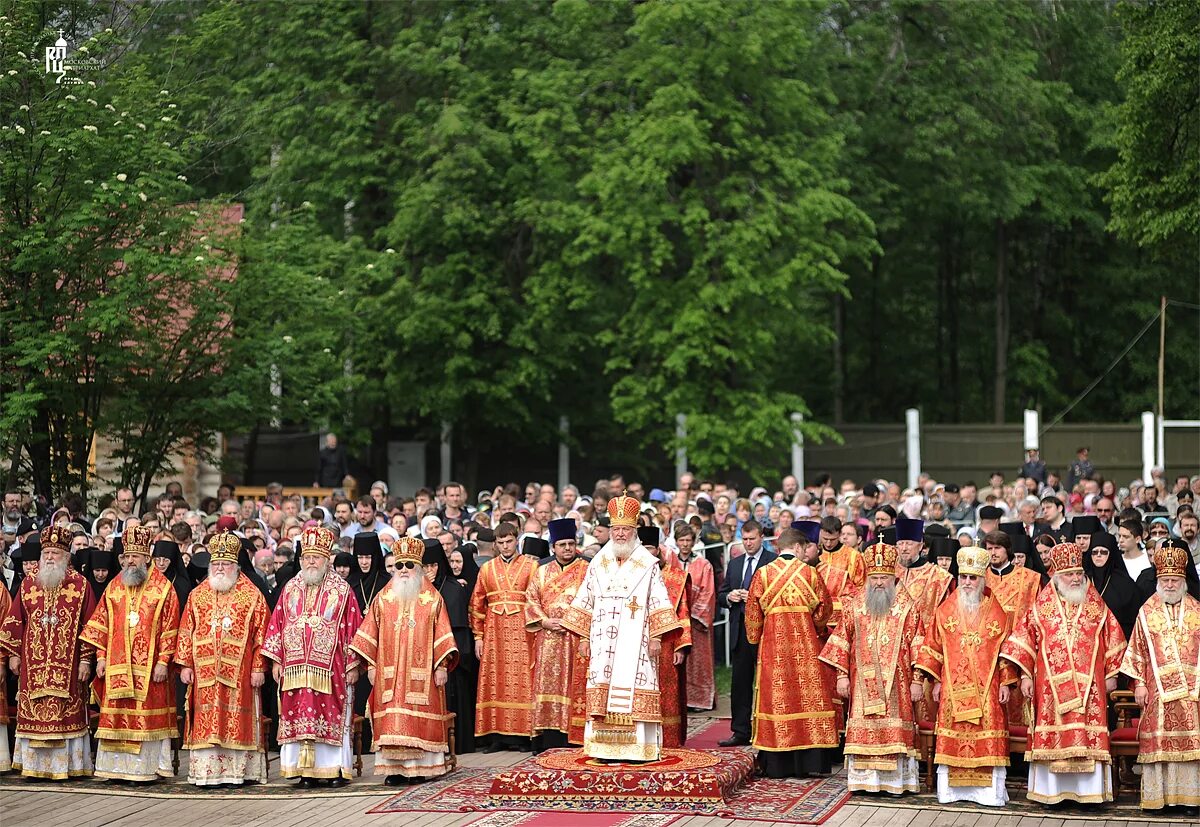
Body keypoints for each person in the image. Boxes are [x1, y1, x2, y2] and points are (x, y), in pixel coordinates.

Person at [1000, 542, 1127, 805]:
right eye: (1069, 574)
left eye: (1079, 573)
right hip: (1050, 689)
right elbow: (1024, 640)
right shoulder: (1042, 606)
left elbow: (1114, 636)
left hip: (1089, 687)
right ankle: (1051, 793)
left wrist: (1112, 673)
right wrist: (1025, 676)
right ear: (1057, 576)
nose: (1076, 578)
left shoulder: (1096, 605)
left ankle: (1088, 794)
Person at [559, 492, 677, 762]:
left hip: (637, 641)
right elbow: (586, 599)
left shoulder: (648, 564)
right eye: (616, 529)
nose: (620, 534)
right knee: (602, 687)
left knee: (636, 688)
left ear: (634, 531)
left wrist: (657, 637)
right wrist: (584, 637)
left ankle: (639, 749)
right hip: (603, 640)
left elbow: (658, 600)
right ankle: (603, 749)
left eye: (625, 529)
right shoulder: (597, 563)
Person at [913, 546, 1016, 806]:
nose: (968, 582)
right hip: (952, 686)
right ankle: (951, 791)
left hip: (988, 688)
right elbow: (933, 646)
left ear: (982, 579)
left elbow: (1005, 651)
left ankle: (988, 794)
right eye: (964, 577)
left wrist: (1006, 681)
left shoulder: (997, 612)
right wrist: (935, 681)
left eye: (973, 578)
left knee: (987, 730)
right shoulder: (945, 610)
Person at [350, 536, 457, 784]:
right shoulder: (383, 598)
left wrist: (441, 666)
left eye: (410, 565)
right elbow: (369, 633)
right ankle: (394, 770)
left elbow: (442, 634)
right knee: (392, 721)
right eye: (400, 565)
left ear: (419, 567)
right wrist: (371, 665)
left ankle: (420, 769)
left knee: (417, 720)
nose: (405, 570)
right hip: (389, 676)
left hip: (423, 677)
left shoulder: (432, 599)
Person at [262, 525, 363, 787]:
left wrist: (353, 665)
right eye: (306, 557)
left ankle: (334, 770)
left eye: (315, 557)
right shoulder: (290, 587)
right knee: (298, 717)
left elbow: (354, 629)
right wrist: (276, 659)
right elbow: (277, 625)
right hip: (294, 669)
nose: (310, 562)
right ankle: (304, 772)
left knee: (331, 716)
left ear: (327, 560)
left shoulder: (342, 590)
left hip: (333, 670)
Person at [819, 541, 923, 795]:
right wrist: (841, 676)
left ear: (893, 577)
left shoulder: (907, 607)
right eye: (874, 578)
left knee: (894, 731)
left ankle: (894, 783)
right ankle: (864, 781)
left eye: (883, 578)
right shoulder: (855, 605)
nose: (878, 583)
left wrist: (917, 680)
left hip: (897, 685)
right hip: (860, 683)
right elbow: (841, 640)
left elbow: (919, 644)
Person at [81, 524, 181, 782]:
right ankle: (116, 769)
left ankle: (145, 769)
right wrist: (100, 658)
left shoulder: (163, 588)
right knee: (116, 717)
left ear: (147, 557)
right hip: (116, 668)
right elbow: (101, 625)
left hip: (150, 672)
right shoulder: (114, 586)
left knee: (147, 718)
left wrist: (163, 662)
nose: (130, 561)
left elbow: (171, 628)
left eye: (135, 556)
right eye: (126, 556)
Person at [0, 526, 98, 779]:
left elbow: (90, 626)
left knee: (67, 715)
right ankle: (34, 767)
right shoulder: (28, 583)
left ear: (66, 555)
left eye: (55, 553)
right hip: (33, 667)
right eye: (46, 553)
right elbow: (15, 620)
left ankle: (68, 766)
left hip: (69, 667)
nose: (50, 557)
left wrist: (86, 660)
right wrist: (14, 654)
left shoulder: (81, 585)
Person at [175, 532, 270, 786]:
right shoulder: (197, 595)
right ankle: (208, 774)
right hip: (204, 674)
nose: (219, 568)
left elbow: (263, 635)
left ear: (236, 566)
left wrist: (258, 667)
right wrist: (185, 664)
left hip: (241, 675)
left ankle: (239, 774)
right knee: (207, 721)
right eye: (215, 563)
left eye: (225, 564)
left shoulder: (252, 595)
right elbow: (186, 630)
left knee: (237, 721)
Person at [745, 525, 836, 778]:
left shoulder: (763, 574)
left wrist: (755, 638)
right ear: (797, 547)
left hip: (773, 649)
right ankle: (810, 762)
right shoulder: (811, 573)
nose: (806, 552)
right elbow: (824, 610)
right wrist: (815, 627)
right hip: (806, 649)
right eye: (804, 548)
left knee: (778, 699)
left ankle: (777, 763)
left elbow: (752, 615)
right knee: (807, 696)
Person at [1119, 542, 1200, 811]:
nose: (1170, 585)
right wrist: (1139, 684)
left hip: (1192, 694)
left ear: (1183, 580)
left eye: (1174, 579)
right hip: (1157, 693)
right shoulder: (1146, 612)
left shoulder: (1197, 611)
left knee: (1190, 747)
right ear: (1158, 580)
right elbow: (1136, 651)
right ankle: (1159, 799)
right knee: (1159, 745)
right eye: (1165, 580)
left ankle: (1189, 798)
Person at [469, 521, 537, 752]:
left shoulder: (531, 566)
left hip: (523, 634)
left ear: (517, 540)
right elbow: (477, 604)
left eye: (509, 541)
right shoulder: (487, 569)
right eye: (501, 542)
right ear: (495, 544)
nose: (506, 546)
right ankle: (495, 736)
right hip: (494, 634)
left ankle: (523, 736)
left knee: (521, 681)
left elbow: (537, 600)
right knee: (495, 680)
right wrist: (478, 637)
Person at [525, 518, 589, 752]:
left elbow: (593, 601)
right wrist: (544, 621)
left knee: (573, 685)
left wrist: (572, 622)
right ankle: (548, 738)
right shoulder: (541, 571)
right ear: (553, 547)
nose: (567, 548)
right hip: (548, 639)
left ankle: (573, 737)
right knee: (547, 685)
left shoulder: (587, 570)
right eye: (562, 545)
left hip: (576, 638)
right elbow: (531, 599)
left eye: (571, 544)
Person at [716, 519, 776, 747]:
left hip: (763, 630)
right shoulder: (735, 563)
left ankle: (767, 730)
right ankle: (740, 730)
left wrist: (752, 596)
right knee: (740, 683)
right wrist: (730, 597)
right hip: (739, 630)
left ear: (761, 537)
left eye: (752, 539)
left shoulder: (772, 561)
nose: (748, 543)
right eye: (745, 539)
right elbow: (721, 594)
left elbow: (775, 594)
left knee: (766, 681)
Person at [421, 537, 477, 755]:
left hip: (451, 659)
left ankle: (458, 745)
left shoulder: (454, 589)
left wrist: (451, 659)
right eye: (425, 566)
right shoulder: (415, 590)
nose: (429, 570)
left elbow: (460, 630)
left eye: (433, 565)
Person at [642, 526, 691, 748]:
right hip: (637, 643)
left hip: (668, 643)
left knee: (668, 692)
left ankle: (669, 741)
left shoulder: (675, 577)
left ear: (658, 550)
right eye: (642, 548)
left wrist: (681, 646)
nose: (645, 553)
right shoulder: (628, 575)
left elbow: (683, 614)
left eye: (649, 548)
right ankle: (642, 739)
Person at [671, 523, 716, 712]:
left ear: (694, 541)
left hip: (696, 622)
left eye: (688, 540)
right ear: (676, 541)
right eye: (681, 540)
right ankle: (676, 699)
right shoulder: (670, 563)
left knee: (698, 661)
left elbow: (708, 592)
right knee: (675, 658)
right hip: (675, 620)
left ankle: (699, 700)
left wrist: (694, 615)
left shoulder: (703, 565)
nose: (685, 544)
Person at [1083, 531, 1142, 640]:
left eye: (1103, 552)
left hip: (1118, 639)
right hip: (1088, 639)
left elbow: (1133, 619)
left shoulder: (1125, 583)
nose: (1098, 555)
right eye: (1094, 552)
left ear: (1111, 554)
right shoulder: (1082, 580)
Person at [816, 516, 866, 634]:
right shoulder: (815, 555)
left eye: (832, 539)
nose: (828, 543)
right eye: (825, 539)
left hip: (843, 619)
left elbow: (861, 588)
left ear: (839, 535)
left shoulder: (853, 556)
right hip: (818, 619)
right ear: (820, 533)